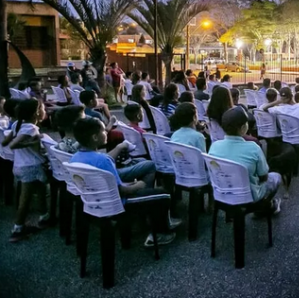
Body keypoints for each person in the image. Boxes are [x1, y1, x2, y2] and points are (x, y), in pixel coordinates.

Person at [70, 118, 178, 247]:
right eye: (103, 131)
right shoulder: (103, 160)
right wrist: (138, 186)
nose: (106, 132)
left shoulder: (74, 158)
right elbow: (120, 191)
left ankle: (146, 216)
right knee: (164, 194)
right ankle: (161, 233)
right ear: (94, 137)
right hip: (119, 204)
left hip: (94, 202)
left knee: (148, 187)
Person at [209, 107, 281, 214]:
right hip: (248, 198)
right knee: (275, 177)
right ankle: (266, 207)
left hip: (222, 193)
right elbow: (264, 176)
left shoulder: (214, 146)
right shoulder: (253, 147)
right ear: (243, 127)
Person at [2, 99, 49, 242]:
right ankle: (18, 228)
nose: (45, 111)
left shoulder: (17, 124)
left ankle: (44, 217)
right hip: (30, 166)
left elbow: (5, 142)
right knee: (26, 199)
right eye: (43, 109)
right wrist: (33, 142)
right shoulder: (30, 128)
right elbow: (13, 145)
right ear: (36, 113)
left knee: (41, 191)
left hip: (20, 165)